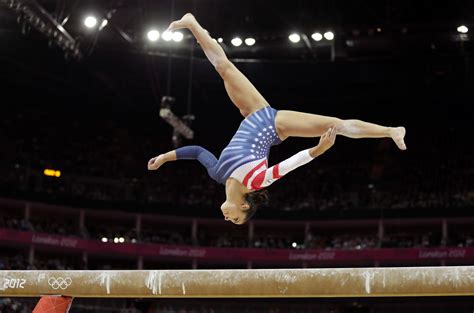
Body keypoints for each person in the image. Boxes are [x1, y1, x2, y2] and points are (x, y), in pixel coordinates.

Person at [148, 13, 406, 225]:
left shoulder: (218, 174)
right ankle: (390, 130)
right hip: (273, 124)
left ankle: (192, 23)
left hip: (252, 112)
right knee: (335, 124)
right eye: (237, 219)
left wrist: (164, 158)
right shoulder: (256, 182)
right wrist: (318, 149)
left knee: (225, 68)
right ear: (244, 205)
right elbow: (291, 164)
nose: (229, 219)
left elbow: (196, 151)